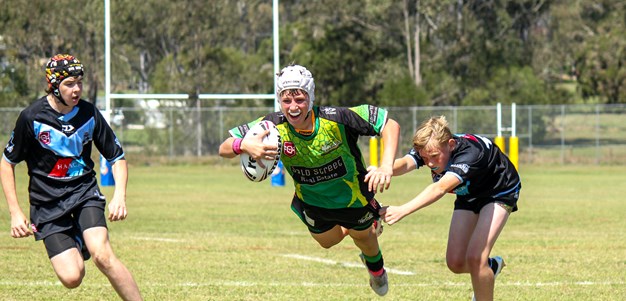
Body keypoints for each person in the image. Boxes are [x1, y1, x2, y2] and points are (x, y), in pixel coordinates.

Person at [219, 64, 400, 296]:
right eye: (286, 101)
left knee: (364, 239)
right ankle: (360, 227)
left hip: (353, 199)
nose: (293, 107)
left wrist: (386, 166)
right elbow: (223, 147)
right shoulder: (272, 125)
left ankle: (377, 271)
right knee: (327, 242)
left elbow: (389, 124)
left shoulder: (337, 118)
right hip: (313, 202)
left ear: (311, 97)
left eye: (300, 100)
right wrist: (242, 144)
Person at [0, 54, 142, 301]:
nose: (76, 89)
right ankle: (79, 237)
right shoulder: (31, 118)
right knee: (72, 277)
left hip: (83, 194)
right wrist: (15, 212)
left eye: (79, 82)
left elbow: (117, 157)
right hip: (47, 206)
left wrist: (120, 195)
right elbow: (7, 163)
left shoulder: (89, 113)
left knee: (103, 255)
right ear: (53, 85)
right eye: (69, 84)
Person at [376, 116, 520, 301]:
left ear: (451, 144)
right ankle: (490, 267)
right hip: (469, 193)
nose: (429, 163)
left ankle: (482, 267)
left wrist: (403, 210)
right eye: (425, 158)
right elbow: (405, 163)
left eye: (434, 157)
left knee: (476, 258)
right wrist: (383, 169)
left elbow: (440, 187)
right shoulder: (430, 147)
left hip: (499, 191)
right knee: (456, 263)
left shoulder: (470, 154)